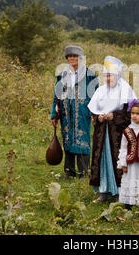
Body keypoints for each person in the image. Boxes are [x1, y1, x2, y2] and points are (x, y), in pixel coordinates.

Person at [88, 56, 137, 202]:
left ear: (117, 75)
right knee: (102, 160)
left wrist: (114, 116)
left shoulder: (125, 89)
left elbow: (132, 113)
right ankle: (104, 191)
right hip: (102, 133)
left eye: (111, 75)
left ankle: (120, 193)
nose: (108, 79)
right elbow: (93, 112)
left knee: (119, 161)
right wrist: (99, 118)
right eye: (106, 76)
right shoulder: (101, 91)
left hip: (117, 135)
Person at [51, 45, 98, 178]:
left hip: (83, 112)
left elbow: (95, 95)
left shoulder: (89, 75)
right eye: (70, 56)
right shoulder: (62, 75)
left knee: (82, 139)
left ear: (80, 58)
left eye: (75, 56)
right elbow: (56, 95)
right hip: (66, 112)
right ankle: (69, 171)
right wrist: (54, 115)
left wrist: (94, 113)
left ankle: (83, 172)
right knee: (68, 139)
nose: (72, 58)